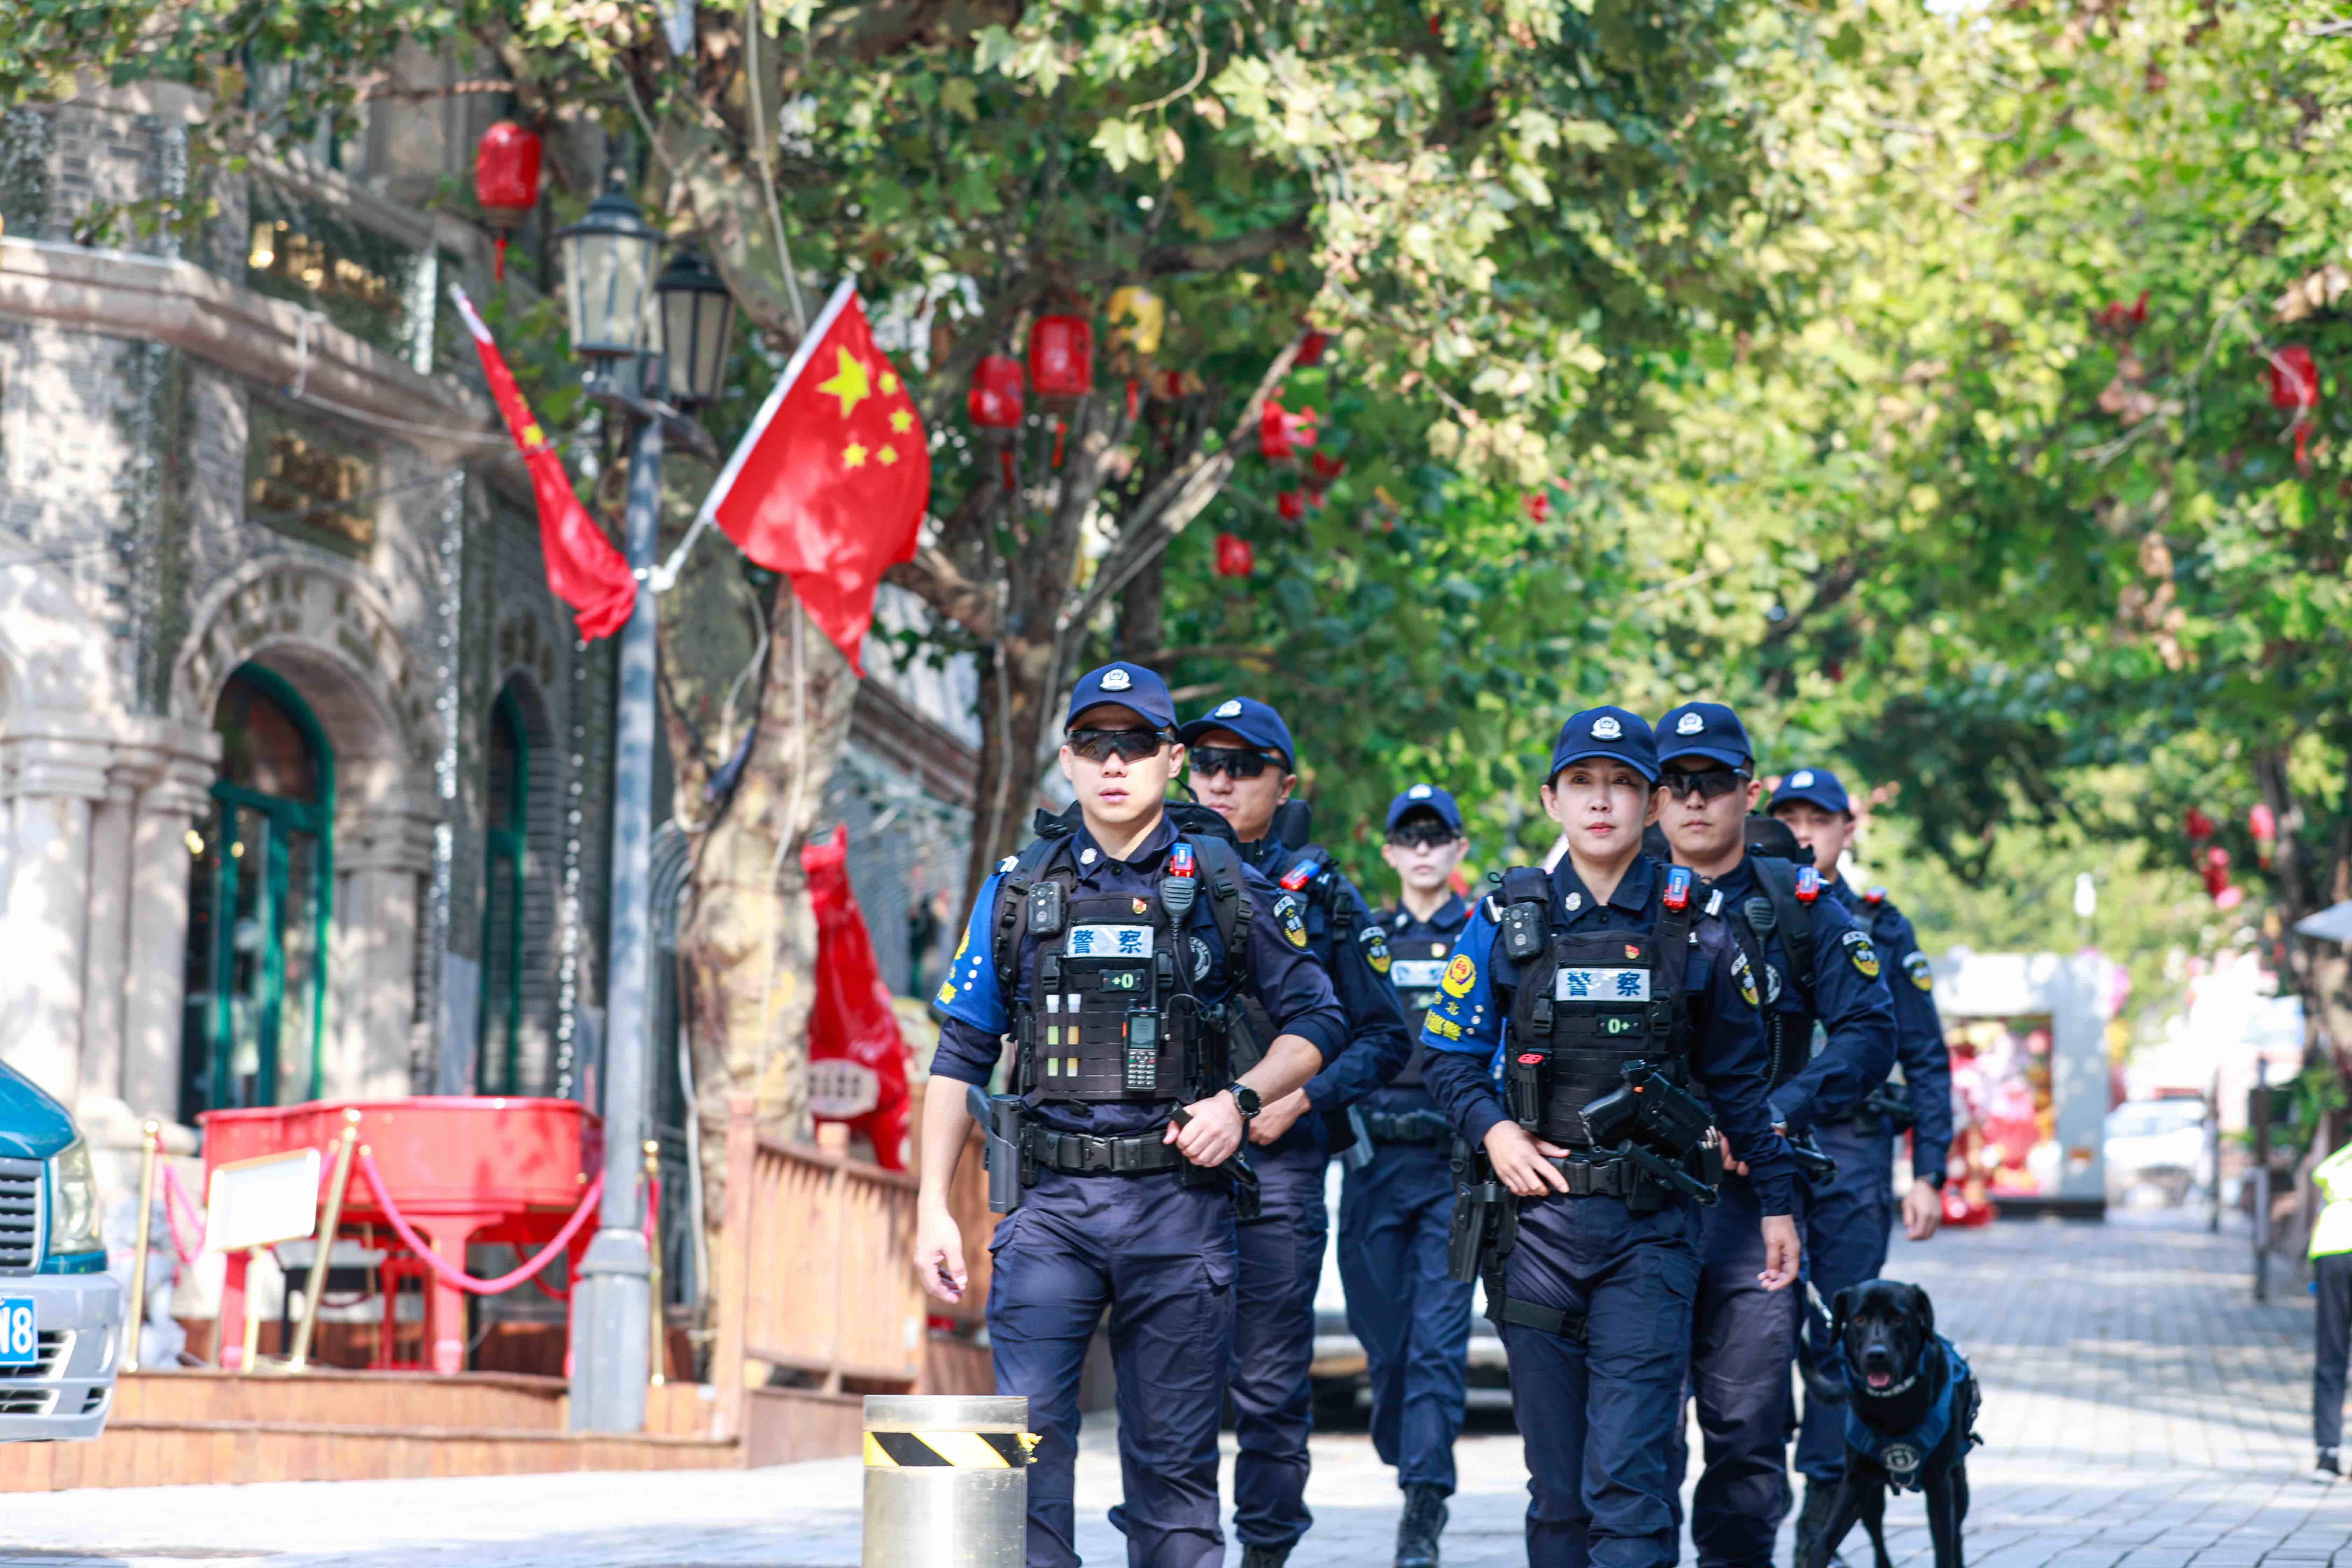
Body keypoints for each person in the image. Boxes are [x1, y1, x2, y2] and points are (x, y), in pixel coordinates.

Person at [913, 663, 1350, 1568]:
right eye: (1094, 745)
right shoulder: (1019, 890)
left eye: (1138, 743)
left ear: (1172, 759)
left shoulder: (1223, 882)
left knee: (1174, 1484)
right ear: (1068, 762)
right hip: (1049, 1213)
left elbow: (1319, 1020)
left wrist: (1243, 1100)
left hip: (1178, 1211)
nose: (1115, 763)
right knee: (1020, 1466)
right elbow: (961, 1054)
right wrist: (929, 1210)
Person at [1419, 706, 1800, 1568]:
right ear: (1552, 800)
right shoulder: (1506, 917)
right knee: (1558, 1494)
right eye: (1584, 784)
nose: (1603, 803)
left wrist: (1776, 1201)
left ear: (1655, 803)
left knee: (1628, 1481)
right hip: (1533, 1235)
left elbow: (1740, 1081)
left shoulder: (1698, 920)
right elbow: (1445, 1054)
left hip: (1651, 1235)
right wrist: (1497, 1135)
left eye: (1623, 785)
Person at [1651, 704, 1897, 1568]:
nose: (1692, 800)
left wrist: (1779, 1112)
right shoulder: (1609, 892)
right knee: (1636, 1433)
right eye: (1674, 783)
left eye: (1712, 783)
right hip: (1631, 1202)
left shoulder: (1798, 905)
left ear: (1745, 793)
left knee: (1748, 1433)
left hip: (1754, 1202)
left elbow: (1871, 1030)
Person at [1176, 695, 1415, 1568]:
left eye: (1245, 767)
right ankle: (1181, 1548)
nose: (1223, 781)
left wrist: (1302, 1099)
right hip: (1163, 1169)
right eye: (1208, 764)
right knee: (1173, 1382)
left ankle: (1267, 1553)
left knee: (1271, 1384)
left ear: (1285, 782)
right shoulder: (1145, 870)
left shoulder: (1321, 893)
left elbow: (1387, 1034)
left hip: (1276, 1165)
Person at [1768, 766, 1956, 1552]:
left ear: (1849, 830)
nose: (1805, 832)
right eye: (1791, 817)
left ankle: (1822, 1505)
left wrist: (1930, 1168)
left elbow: (1924, 1052)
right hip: (1768, 1145)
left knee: (1844, 1334)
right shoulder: (1748, 905)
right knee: (1767, 1322)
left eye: (1821, 818)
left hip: (1852, 1148)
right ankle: (1763, 1483)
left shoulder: (1881, 923)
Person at [1341, 782, 1480, 1568]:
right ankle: (1411, 1451)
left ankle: (1423, 1505)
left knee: (1438, 1343)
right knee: (1387, 1346)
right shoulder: (1367, 937)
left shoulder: (1481, 932)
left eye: (1438, 836)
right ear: (1390, 851)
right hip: (1374, 1165)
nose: (1424, 848)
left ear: (1459, 848)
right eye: (1409, 837)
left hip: (1452, 1167)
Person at [2312, 1134, 2352, 1482]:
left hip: (2332, 1249)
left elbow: (2320, 1173)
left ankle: (2327, 1454)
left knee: (2332, 1353)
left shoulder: (2341, 1160)